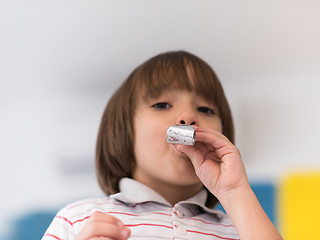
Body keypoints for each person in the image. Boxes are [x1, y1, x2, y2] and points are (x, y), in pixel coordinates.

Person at [42, 51, 282, 240]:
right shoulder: (78, 219)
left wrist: (235, 191)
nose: (188, 116)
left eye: (205, 109)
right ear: (122, 135)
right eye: (161, 105)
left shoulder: (242, 229)